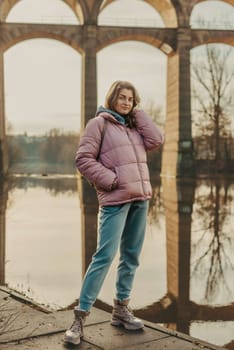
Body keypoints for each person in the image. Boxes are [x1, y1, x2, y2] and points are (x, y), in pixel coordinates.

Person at [64, 80, 164, 345]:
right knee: (104, 256)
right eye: (122, 97)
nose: (126, 102)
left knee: (131, 256)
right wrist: (110, 181)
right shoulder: (99, 124)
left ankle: (121, 310)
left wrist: (138, 112)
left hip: (140, 199)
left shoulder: (134, 126)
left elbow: (156, 138)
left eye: (131, 99)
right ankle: (79, 318)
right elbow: (83, 159)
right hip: (116, 200)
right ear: (112, 98)